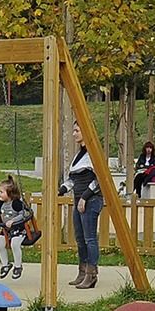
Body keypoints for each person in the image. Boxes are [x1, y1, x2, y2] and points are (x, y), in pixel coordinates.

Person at [62, 121, 103, 290]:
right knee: (80, 239)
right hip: (78, 199)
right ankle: (82, 270)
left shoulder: (93, 154)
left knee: (90, 238)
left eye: (77, 130)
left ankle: (91, 274)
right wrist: (63, 188)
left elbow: (98, 180)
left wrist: (85, 197)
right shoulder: (79, 155)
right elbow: (74, 179)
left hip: (90, 200)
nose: (74, 134)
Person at [0, 178, 33, 280]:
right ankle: (5, 265)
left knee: (14, 244)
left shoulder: (16, 203)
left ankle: (18, 266)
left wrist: (13, 221)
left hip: (19, 230)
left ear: (10, 193)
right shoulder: (0, 202)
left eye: (1, 192)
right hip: (6, 230)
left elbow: (23, 214)